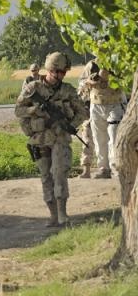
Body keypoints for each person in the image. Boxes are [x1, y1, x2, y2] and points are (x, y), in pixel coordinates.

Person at [15, 51, 88, 227]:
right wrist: (33, 110)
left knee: (59, 173)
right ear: (51, 70)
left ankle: (62, 214)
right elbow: (18, 110)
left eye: (64, 72)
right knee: (46, 176)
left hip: (60, 137)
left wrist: (69, 125)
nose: (62, 75)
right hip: (39, 138)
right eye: (60, 71)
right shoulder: (33, 88)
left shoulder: (67, 90)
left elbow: (83, 112)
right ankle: (53, 216)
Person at [86, 68, 127, 178]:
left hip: (115, 104)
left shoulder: (117, 63)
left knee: (114, 137)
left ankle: (116, 167)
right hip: (96, 105)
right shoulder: (92, 65)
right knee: (99, 138)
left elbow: (127, 81)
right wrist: (90, 81)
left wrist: (112, 78)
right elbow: (82, 82)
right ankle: (103, 168)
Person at [76, 60, 100, 178]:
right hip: (89, 108)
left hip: (106, 107)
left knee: (108, 140)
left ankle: (107, 168)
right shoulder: (91, 65)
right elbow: (81, 86)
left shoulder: (111, 62)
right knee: (87, 139)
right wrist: (88, 83)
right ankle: (86, 170)